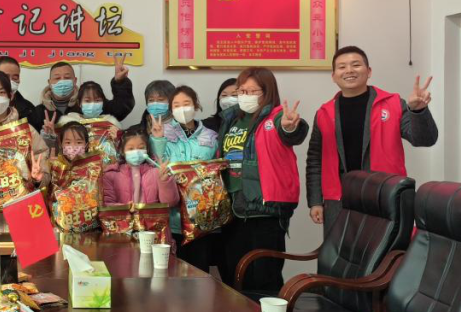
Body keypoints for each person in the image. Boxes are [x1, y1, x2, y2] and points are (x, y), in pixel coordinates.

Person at [306, 46, 438, 234]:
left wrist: (418, 111)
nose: (349, 70)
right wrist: (315, 201)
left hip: (385, 195)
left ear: (369, 71)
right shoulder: (324, 113)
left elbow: (425, 139)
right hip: (338, 200)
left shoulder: (393, 103)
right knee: (340, 250)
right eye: (342, 67)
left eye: (356, 65)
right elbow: (315, 160)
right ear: (334, 76)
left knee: (386, 251)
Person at [217, 67, 308, 295]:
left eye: (252, 91)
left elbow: (291, 132)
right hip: (234, 208)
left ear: (267, 92)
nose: (245, 95)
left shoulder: (276, 116)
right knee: (234, 275)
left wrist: (290, 127)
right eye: (242, 91)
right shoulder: (231, 120)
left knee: (264, 278)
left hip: (264, 210)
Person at [150, 85, 218, 272]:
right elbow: (157, 168)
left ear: (195, 105)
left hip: (200, 217)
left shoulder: (211, 136)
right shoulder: (162, 133)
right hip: (173, 218)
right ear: (171, 109)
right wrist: (158, 140)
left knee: (199, 272)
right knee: (172, 272)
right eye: (176, 105)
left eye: (186, 103)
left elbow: (216, 174)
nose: (182, 109)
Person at [102, 126, 179, 248]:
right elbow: (106, 205)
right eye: (131, 148)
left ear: (147, 149)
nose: (136, 152)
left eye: (141, 147)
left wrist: (165, 181)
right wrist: (125, 208)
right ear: (122, 150)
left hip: (155, 236)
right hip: (123, 234)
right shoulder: (110, 175)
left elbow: (171, 202)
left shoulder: (156, 172)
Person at [0, 70, 51, 185]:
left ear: (11, 96)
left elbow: (42, 161)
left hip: (21, 194)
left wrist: (38, 179)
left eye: (2, 92)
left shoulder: (27, 130)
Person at [29, 55, 135, 132]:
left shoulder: (88, 104)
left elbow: (121, 108)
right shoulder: (39, 112)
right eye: (57, 78)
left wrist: (120, 82)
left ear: (75, 80)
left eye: (67, 77)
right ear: (49, 82)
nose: (62, 81)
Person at [56, 81, 121, 159]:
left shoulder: (111, 124)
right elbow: (58, 149)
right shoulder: (67, 123)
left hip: (106, 166)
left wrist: (119, 138)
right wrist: (50, 135)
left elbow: (121, 151)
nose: (92, 104)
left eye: (97, 100)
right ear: (79, 103)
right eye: (87, 101)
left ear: (103, 102)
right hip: (75, 165)